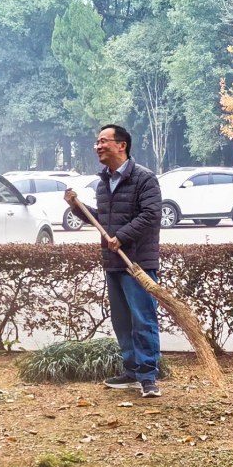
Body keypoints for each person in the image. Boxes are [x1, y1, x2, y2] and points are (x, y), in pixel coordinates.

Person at [64, 124, 163, 397]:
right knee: (122, 321)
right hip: (114, 262)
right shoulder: (103, 183)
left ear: (122, 145)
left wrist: (121, 237)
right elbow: (103, 221)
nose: (97, 146)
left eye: (103, 141)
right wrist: (76, 207)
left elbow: (151, 214)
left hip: (137, 263)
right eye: (96, 142)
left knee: (143, 320)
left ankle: (148, 377)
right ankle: (131, 372)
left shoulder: (144, 178)